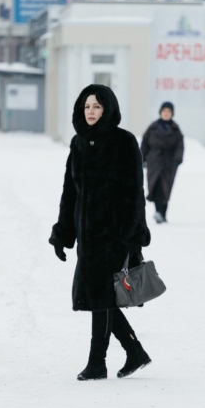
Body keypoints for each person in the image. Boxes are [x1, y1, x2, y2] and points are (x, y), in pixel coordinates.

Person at [49, 84, 152, 381]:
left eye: (96, 106)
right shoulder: (78, 144)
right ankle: (134, 352)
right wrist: (62, 234)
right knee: (99, 296)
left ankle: (97, 362)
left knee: (101, 296)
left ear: (107, 108)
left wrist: (132, 239)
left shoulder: (124, 142)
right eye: (86, 107)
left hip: (114, 236)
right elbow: (70, 193)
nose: (91, 112)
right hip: (87, 238)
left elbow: (135, 193)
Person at [141, 102, 184, 224]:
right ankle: (159, 212)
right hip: (153, 161)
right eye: (164, 111)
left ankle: (162, 213)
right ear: (160, 112)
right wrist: (142, 159)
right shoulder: (153, 127)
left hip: (169, 164)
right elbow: (144, 144)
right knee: (155, 186)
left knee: (165, 188)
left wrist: (177, 159)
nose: (166, 114)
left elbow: (180, 146)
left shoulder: (176, 129)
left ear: (172, 114)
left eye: (169, 112)